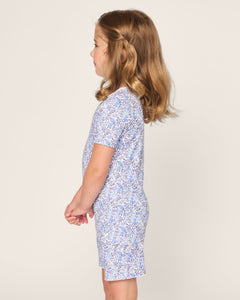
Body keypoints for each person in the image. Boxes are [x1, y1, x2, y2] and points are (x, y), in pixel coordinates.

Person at [64, 9, 178, 300]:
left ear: (121, 53)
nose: (91, 53)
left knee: (119, 286)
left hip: (120, 212)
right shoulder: (125, 101)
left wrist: (80, 202)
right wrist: (89, 201)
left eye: (97, 45)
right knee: (113, 283)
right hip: (117, 210)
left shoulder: (115, 107)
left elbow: (98, 169)